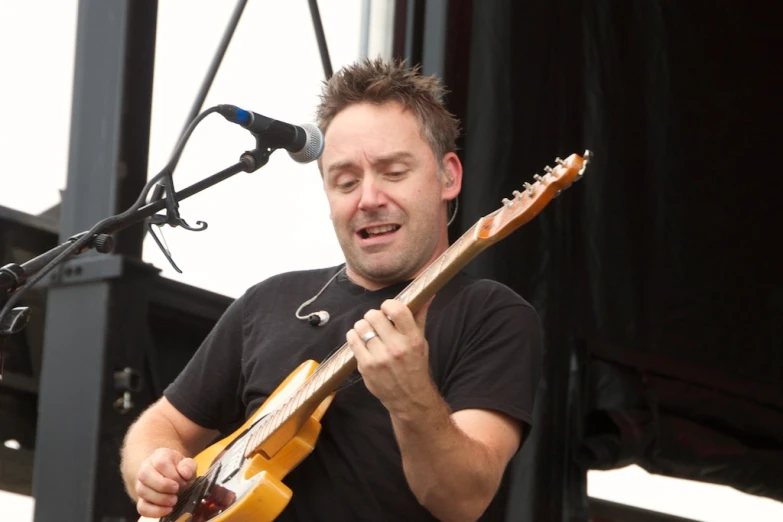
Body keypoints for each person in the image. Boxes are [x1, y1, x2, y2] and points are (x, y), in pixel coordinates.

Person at [120, 57, 542, 522]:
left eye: (394, 172)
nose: (368, 198)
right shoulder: (268, 301)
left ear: (449, 176)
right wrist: (153, 466)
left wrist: (410, 397)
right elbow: (159, 425)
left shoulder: (492, 314)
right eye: (345, 181)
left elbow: (462, 499)